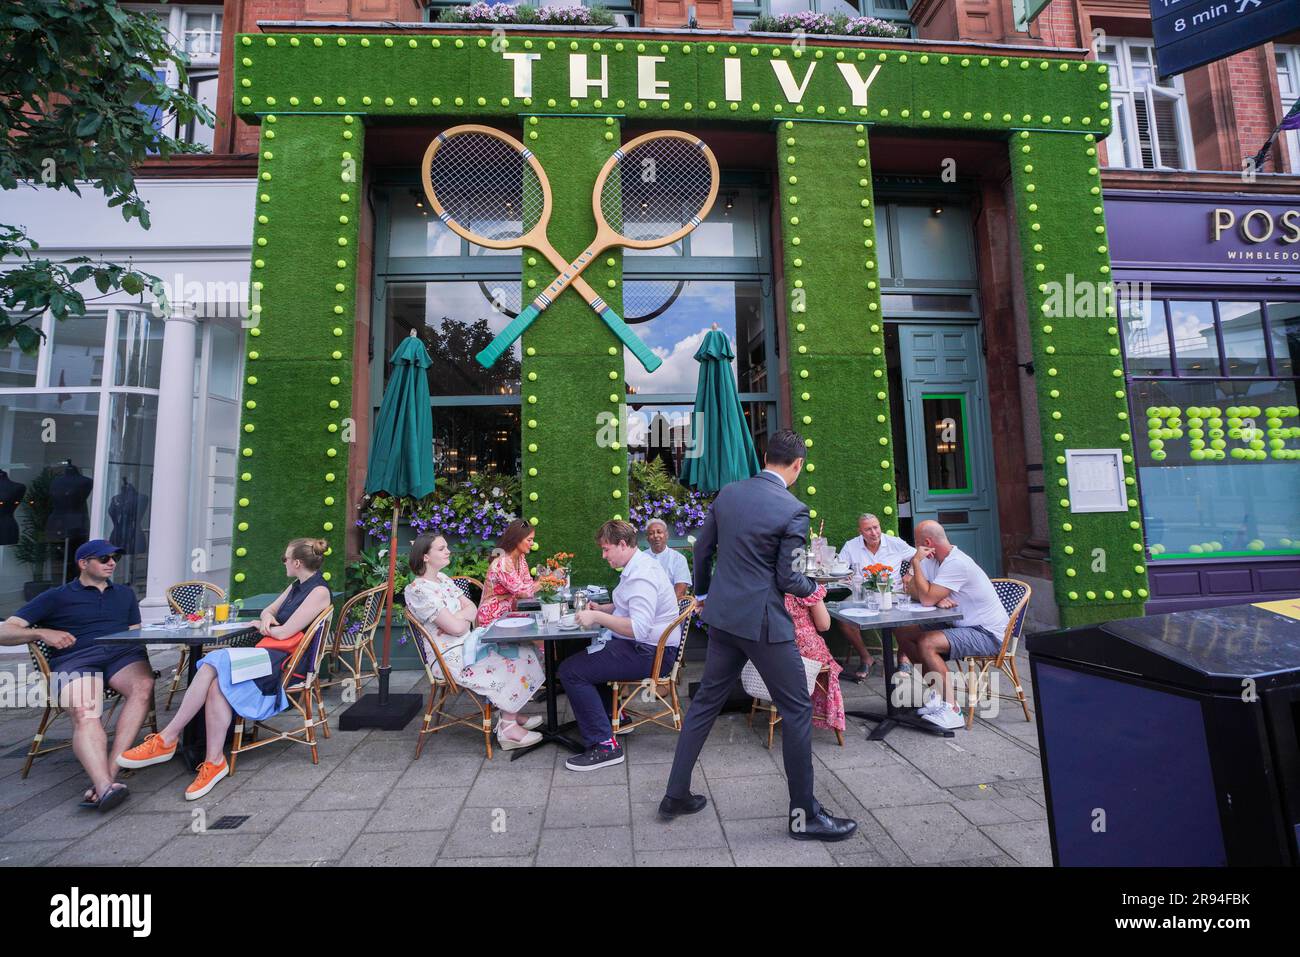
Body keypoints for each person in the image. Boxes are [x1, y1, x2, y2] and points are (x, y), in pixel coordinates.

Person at [660, 429, 858, 842]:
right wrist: (814, 589)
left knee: (705, 705)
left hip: (722, 618)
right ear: (798, 465)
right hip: (764, 624)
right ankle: (805, 817)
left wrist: (702, 593)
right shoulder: (794, 509)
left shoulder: (728, 493)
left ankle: (675, 794)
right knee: (798, 709)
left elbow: (701, 551)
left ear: (765, 455)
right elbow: (788, 578)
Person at [117, 538, 333, 799]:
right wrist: (266, 620)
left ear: (297, 562)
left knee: (215, 660)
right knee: (216, 685)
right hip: (266, 656)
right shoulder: (296, 586)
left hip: (283, 665)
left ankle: (168, 738)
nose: (283, 562)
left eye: (285, 559)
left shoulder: (319, 591)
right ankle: (213, 761)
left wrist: (268, 627)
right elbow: (268, 611)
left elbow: (286, 631)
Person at [0, 540, 154, 811]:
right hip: (75, 661)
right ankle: (105, 787)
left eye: (114, 557)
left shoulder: (126, 594)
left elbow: (135, 632)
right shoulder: (55, 596)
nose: (112, 563)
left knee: (144, 685)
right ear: (83, 563)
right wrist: (40, 633)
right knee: (84, 711)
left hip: (122, 656)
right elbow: (5, 632)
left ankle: (109, 775)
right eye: (104, 558)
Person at [403, 533, 545, 750]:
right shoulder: (418, 591)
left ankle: (511, 712)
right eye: (441, 549)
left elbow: (472, 608)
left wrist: (456, 618)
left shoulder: (443, 580)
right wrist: (459, 619)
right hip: (449, 656)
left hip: (468, 643)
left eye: (447, 547)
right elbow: (457, 626)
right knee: (511, 660)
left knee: (523, 649)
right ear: (425, 557)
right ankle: (508, 729)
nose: (448, 551)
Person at [559, 520, 680, 771]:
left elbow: (638, 628)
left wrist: (597, 617)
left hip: (650, 652)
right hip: (647, 648)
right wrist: (602, 608)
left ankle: (605, 746)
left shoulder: (641, 576)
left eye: (606, 549)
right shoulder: (638, 566)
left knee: (571, 671)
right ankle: (615, 719)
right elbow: (628, 607)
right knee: (582, 660)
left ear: (622, 544)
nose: (603, 556)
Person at [897, 520, 1010, 731]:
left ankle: (952, 710)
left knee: (927, 642)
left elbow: (925, 597)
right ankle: (938, 696)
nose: (916, 546)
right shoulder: (933, 560)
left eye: (917, 542)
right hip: (962, 626)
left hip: (986, 633)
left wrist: (917, 567)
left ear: (928, 542)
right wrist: (934, 596)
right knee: (904, 631)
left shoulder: (957, 563)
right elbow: (910, 588)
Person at [838, 513, 913, 679]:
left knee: (907, 617)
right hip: (864, 595)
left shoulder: (895, 543)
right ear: (860, 531)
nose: (874, 532)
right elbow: (840, 568)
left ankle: (903, 657)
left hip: (893, 593)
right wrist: (846, 575)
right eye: (868, 529)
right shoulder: (851, 546)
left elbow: (918, 557)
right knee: (843, 618)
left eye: (876, 527)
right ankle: (866, 657)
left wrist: (910, 573)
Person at [787, 584, 845, 735]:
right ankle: (823, 711)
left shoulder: (762, 583)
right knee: (827, 665)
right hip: (806, 651)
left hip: (775, 650)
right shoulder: (804, 587)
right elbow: (824, 625)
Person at [477, 519, 537, 627]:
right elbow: (523, 592)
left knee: (539, 623)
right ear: (517, 540)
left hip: (510, 614)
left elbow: (528, 583)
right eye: (529, 540)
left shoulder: (520, 558)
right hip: (492, 617)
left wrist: (544, 582)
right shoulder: (503, 562)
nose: (532, 544)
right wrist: (547, 580)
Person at [645, 518, 691, 600]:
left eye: (659, 532)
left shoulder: (678, 559)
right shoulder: (641, 558)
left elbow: (680, 590)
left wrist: (665, 609)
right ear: (647, 538)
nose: (656, 536)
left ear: (666, 535)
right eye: (651, 533)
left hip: (669, 608)